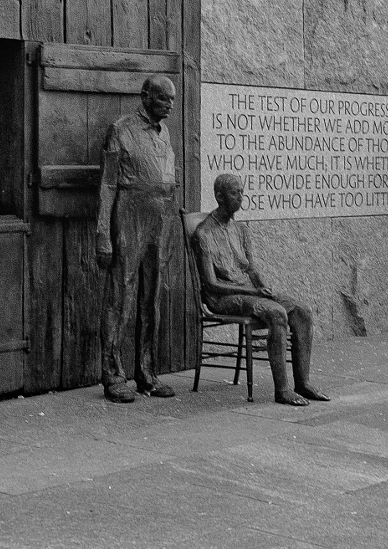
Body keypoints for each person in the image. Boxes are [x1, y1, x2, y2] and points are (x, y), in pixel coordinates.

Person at [190, 173, 328, 407]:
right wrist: (255, 294)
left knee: (302, 311)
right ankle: (282, 390)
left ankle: (302, 383)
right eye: (235, 193)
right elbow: (211, 284)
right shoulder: (204, 234)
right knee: (276, 313)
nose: (241, 198)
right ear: (220, 197)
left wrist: (263, 287)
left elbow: (251, 269)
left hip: (247, 292)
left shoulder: (241, 230)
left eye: (242, 192)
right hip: (222, 297)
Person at [95, 76, 179, 403]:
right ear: (145, 96)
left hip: (159, 219)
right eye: (163, 99)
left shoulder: (165, 133)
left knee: (151, 299)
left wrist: (169, 226)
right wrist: (103, 231)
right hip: (128, 215)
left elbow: (167, 181)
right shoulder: (120, 130)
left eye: (172, 100)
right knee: (120, 296)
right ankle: (113, 375)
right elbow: (107, 185)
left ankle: (146, 372)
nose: (169, 105)